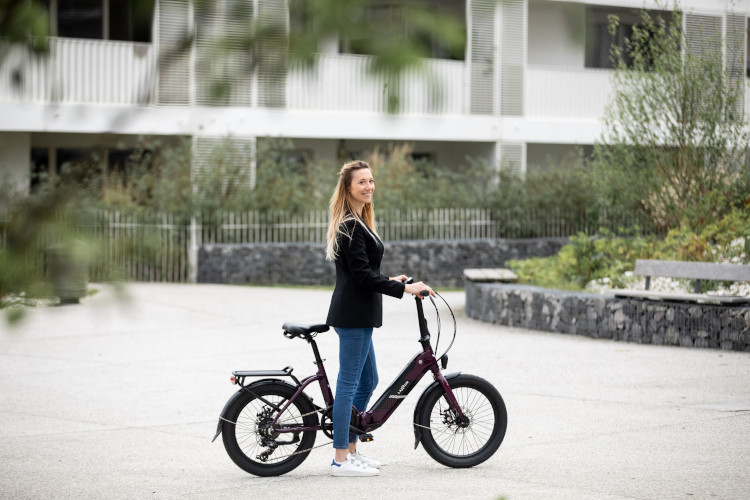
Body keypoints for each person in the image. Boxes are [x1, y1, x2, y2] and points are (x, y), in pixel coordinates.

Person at [325, 160, 434, 477]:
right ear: (348, 188)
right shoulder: (349, 225)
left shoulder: (359, 222)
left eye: (371, 181)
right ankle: (340, 460)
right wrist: (407, 289)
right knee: (348, 385)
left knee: (368, 380)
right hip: (353, 315)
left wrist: (392, 280)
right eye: (362, 182)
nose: (369, 186)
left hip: (360, 314)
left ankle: (352, 449)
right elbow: (360, 277)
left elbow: (365, 272)